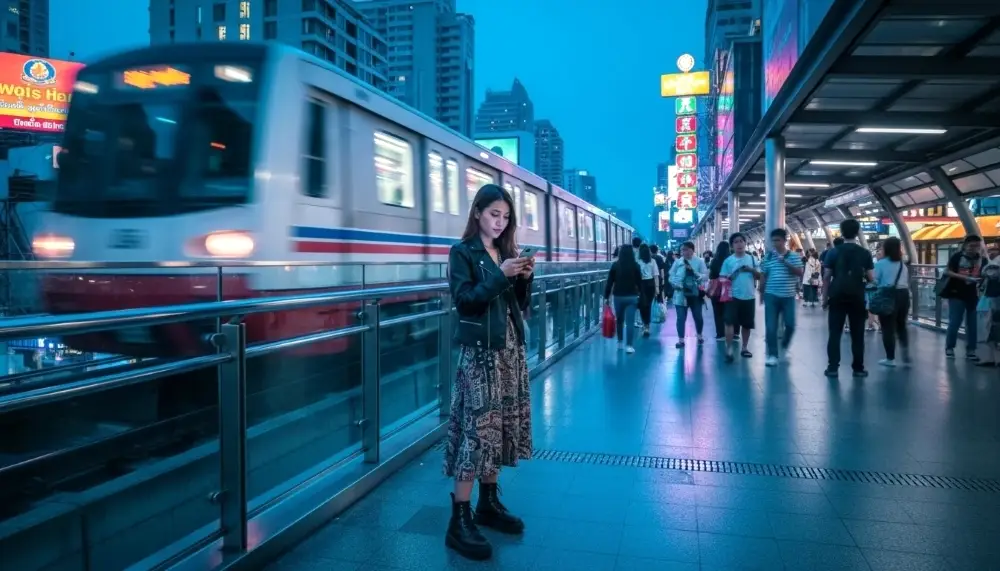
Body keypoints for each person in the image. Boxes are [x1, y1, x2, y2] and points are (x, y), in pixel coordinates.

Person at [444, 184, 534, 561]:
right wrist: (501, 274)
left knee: (499, 428)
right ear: (478, 212)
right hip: (480, 354)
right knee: (476, 432)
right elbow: (466, 302)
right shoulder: (463, 252)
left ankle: (488, 503)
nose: (500, 222)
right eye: (494, 214)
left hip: (508, 350)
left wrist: (524, 278)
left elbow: (517, 305)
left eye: (506, 217)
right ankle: (459, 519)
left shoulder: (506, 252)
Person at [823, 219, 874, 378]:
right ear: (857, 232)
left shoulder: (833, 252)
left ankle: (832, 368)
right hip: (857, 296)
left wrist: (824, 298)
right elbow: (871, 277)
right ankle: (858, 368)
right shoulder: (864, 253)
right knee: (857, 334)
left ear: (842, 232)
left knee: (835, 333)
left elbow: (826, 277)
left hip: (837, 295)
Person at [759, 228, 804, 366]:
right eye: (773, 240)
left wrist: (785, 261)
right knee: (771, 326)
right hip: (771, 296)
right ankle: (772, 354)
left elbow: (799, 273)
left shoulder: (794, 257)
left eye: (778, 240)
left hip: (788, 296)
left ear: (785, 241)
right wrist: (761, 292)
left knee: (790, 325)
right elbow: (763, 275)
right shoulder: (768, 257)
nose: (775, 243)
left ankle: (784, 343)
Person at [941, 235, 985, 360]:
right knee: (955, 321)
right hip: (956, 293)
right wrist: (965, 278)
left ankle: (971, 349)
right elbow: (947, 271)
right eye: (971, 246)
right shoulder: (957, 257)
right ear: (965, 245)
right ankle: (950, 347)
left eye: (977, 246)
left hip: (972, 294)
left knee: (973, 323)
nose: (974, 248)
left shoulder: (981, 259)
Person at [719, 232, 759, 361]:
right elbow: (721, 278)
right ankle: (729, 348)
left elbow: (760, 276)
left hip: (749, 296)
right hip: (732, 297)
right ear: (732, 246)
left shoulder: (752, 259)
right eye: (736, 242)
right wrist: (729, 277)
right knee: (729, 322)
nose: (739, 244)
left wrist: (751, 270)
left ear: (745, 243)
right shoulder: (728, 261)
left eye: (741, 241)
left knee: (747, 324)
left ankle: (745, 348)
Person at [873, 237, 910, 367]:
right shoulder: (902, 265)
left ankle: (890, 358)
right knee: (901, 326)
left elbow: (875, 280)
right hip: (904, 295)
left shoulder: (881, 264)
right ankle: (906, 356)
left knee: (887, 327)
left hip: (887, 295)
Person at [604, 244, 643, 353]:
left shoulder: (615, 265)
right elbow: (640, 282)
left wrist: (607, 296)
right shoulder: (636, 266)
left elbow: (609, 282)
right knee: (630, 322)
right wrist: (641, 295)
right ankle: (629, 346)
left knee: (620, 320)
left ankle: (620, 342)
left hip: (618, 297)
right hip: (632, 296)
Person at [669, 240, 708, 348]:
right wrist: (674, 284)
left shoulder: (699, 262)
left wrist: (695, 274)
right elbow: (671, 276)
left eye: (685, 249)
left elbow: (705, 276)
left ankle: (699, 335)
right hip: (680, 294)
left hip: (694, 294)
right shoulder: (678, 262)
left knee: (698, 316)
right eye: (682, 250)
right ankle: (681, 340)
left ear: (692, 250)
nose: (683, 252)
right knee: (681, 317)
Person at [708, 240, 731, 341]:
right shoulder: (731, 260)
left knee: (717, 312)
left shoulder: (714, 261)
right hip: (728, 288)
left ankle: (720, 334)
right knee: (730, 311)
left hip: (716, 288)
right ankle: (733, 333)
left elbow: (711, 275)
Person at [636, 244, 660, 335]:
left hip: (641, 285)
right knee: (648, 305)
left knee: (642, 305)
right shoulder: (653, 261)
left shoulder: (638, 262)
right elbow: (656, 275)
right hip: (650, 284)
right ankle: (647, 326)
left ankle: (645, 324)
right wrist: (657, 288)